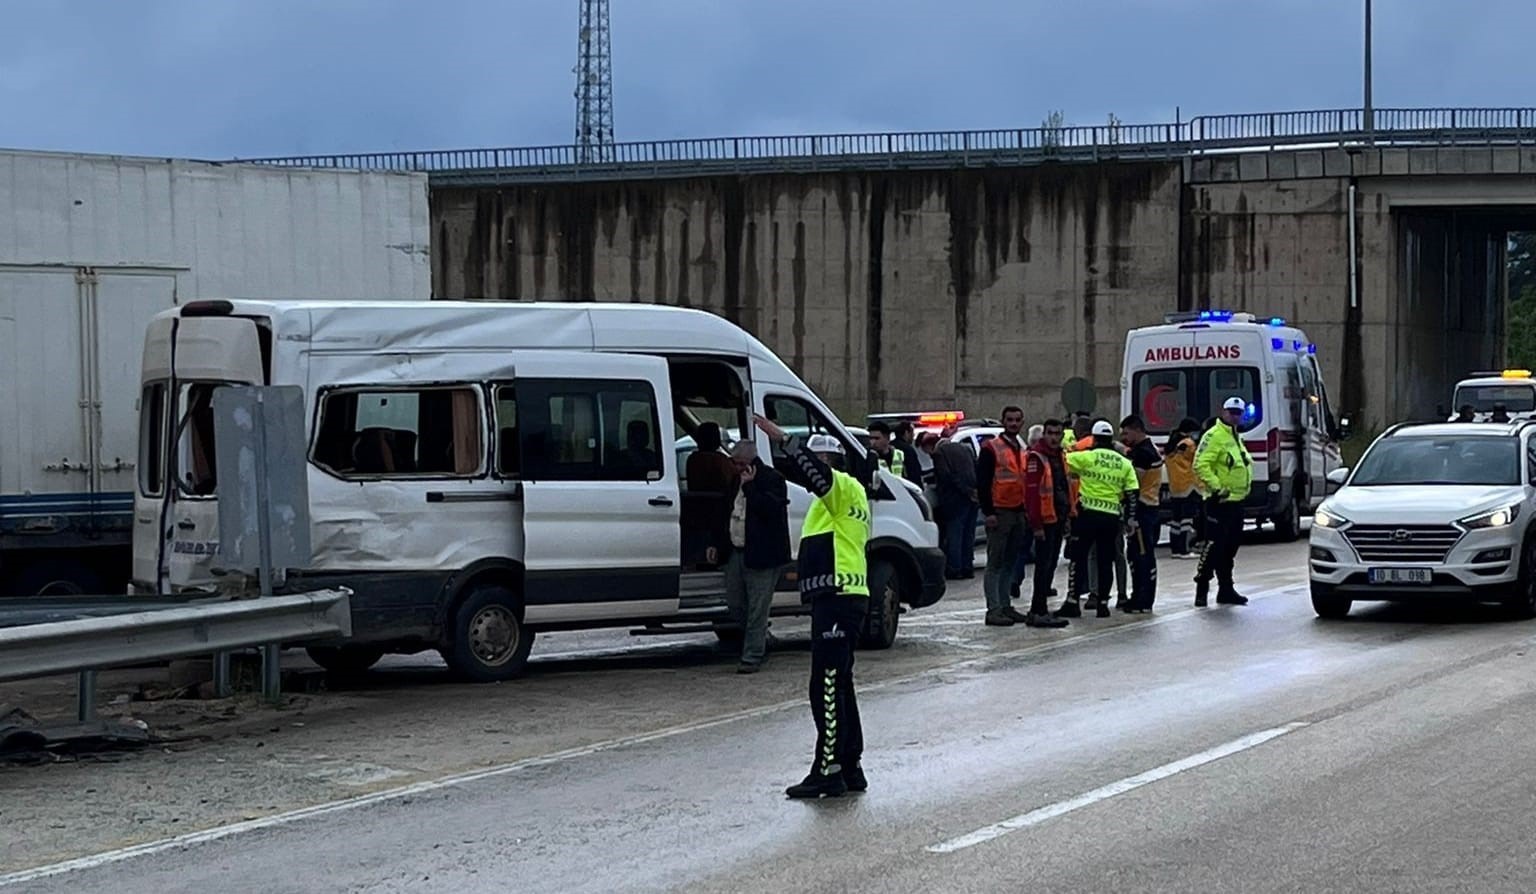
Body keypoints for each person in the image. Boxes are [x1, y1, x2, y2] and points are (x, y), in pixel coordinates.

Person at [753, 414, 871, 799]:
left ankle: (828, 769)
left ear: (831, 462)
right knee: (841, 683)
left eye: (821, 459)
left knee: (826, 686)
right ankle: (850, 765)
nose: (814, 467)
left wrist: (783, 439)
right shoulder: (845, 498)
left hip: (837, 597)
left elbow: (815, 476)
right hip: (843, 596)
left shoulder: (840, 490)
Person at [708, 440, 791, 674]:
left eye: (738, 463)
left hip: (763, 555)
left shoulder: (772, 479)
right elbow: (724, 511)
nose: (734, 467)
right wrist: (716, 543)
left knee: (757, 607)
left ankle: (753, 654)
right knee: (735, 603)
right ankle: (760, 638)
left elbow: (771, 510)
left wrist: (750, 488)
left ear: (749, 463)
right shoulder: (734, 481)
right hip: (736, 549)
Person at [1061, 420, 1138, 619]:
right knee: (1106, 561)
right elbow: (1132, 494)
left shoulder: (1087, 457)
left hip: (1087, 515)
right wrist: (1130, 520)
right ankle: (1103, 603)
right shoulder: (1124, 463)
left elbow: (1064, 461)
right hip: (1111, 518)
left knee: (1079, 559)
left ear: (1093, 438)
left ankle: (1072, 601)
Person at [1193, 397, 1254, 607]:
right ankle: (1201, 589)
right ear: (1223, 412)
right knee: (1213, 547)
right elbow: (1201, 464)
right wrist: (1217, 487)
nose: (1235, 416)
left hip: (1236, 502)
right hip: (1218, 502)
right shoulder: (1214, 436)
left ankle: (1226, 589)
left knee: (1229, 549)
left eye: (1238, 413)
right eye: (1231, 412)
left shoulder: (1237, 437)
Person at [976, 406, 1032, 627]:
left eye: (1017, 420)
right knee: (995, 563)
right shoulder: (992, 448)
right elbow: (983, 483)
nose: (1013, 423)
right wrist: (988, 512)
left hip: (1018, 510)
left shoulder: (1021, 448)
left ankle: (1006, 605)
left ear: (1022, 422)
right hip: (999, 511)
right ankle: (994, 609)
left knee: (1010, 561)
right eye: (1009, 420)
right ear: (1003, 421)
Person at [1022, 419, 1073, 628]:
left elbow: (1063, 486)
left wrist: (1069, 513)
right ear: (1044, 434)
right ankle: (1038, 610)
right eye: (1050, 433)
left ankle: (1040, 608)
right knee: (1043, 567)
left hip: (1058, 517)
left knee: (1050, 565)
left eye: (1057, 433)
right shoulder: (1037, 457)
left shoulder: (1059, 455)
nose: (1054, 437)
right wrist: (1036, 525)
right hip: (1045, 519)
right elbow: (1032, 493)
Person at [1120, 415, 1163, 613]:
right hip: (1149, 508)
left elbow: (1132, 485)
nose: (1124, 437)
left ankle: (1142, 600)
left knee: (1141, 557)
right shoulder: (1148, 448)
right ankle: (1140, 597)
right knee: (1140, 555)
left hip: (1142, 509)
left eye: (1126, 432)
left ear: (1137, 430)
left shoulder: (1142, 454)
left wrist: (1131, 515)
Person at [931, 431, 980, 579]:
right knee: (969, 534)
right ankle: (967, 567)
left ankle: (954, 568)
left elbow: (945, 476)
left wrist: (965, 491)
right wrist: (975, 491)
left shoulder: (939, 453)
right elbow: (976, 468)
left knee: (955, 534)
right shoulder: (966, 449)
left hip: (955, 499)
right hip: (973, 498)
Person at [1164, 417, 1201, 558]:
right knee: (1187, 520)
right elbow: (1198, 460)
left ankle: (1176, 549)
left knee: (1175, 521)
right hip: (1189, 486)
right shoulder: (1189, 444)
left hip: (1176, 487)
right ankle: (1185, 549)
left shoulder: (1171, 445)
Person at [867, 421, 922, 488]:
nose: (872, 442)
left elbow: (914, 478)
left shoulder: (900, 455)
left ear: (887, 438)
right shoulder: (868, 458)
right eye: (871, 438)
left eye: (877, 438)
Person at [686, 422, 737, 494]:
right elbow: (731, 483)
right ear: (717, 439)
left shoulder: (692, 459)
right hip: (720, 503)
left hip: (696, 502)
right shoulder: (721, 460)